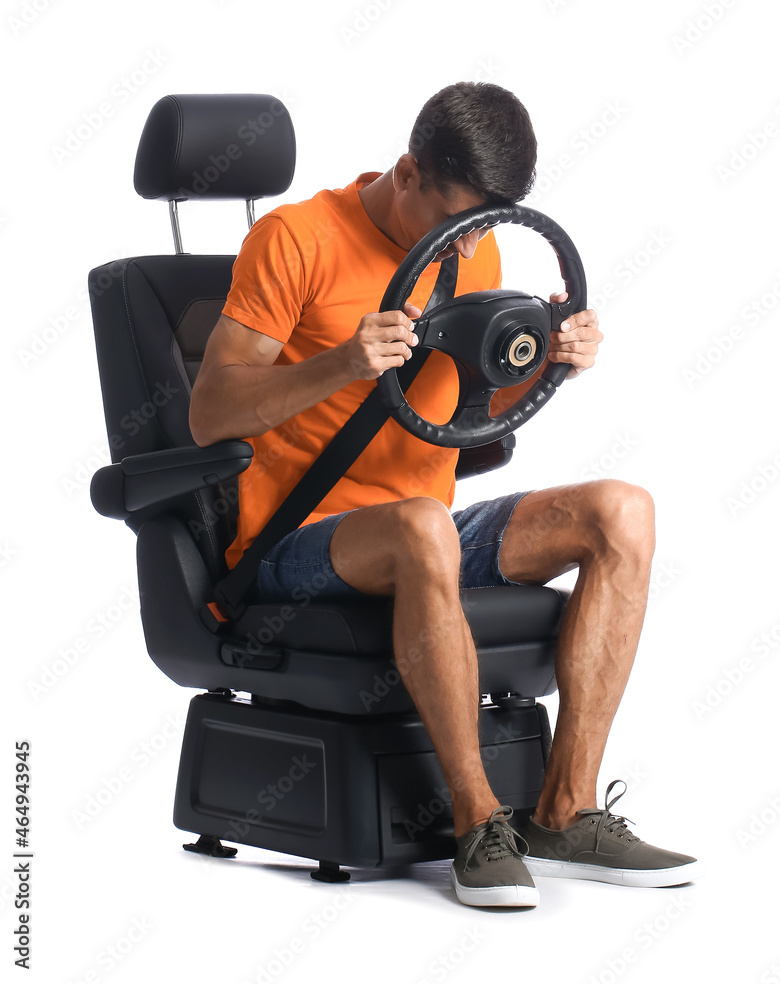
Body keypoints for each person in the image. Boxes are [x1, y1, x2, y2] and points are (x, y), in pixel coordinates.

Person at [189, 82, 698, 908]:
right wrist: (340, 366)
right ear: (407, 170)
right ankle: (476, 823)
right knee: (426, 526)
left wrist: (546, 362)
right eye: (450, 216)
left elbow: (467, 416)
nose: (461, 242)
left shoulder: (467, 249)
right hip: (299, 543)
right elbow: (209, 413)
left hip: (426, 525)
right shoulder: (294, 239)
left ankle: (565, 808)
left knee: (623, 510)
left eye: (482, 224)